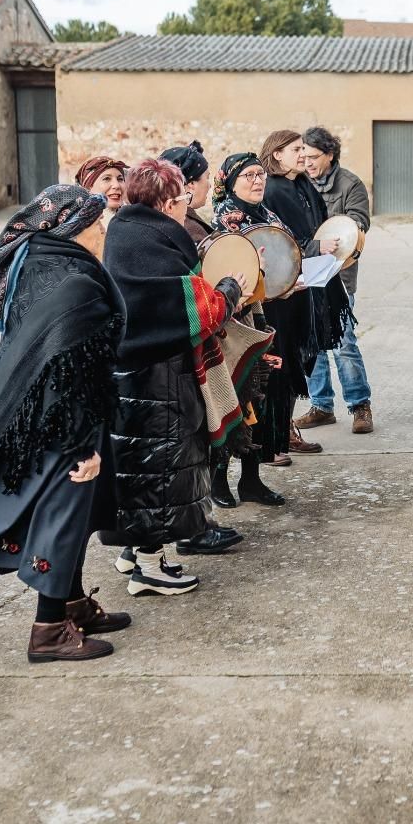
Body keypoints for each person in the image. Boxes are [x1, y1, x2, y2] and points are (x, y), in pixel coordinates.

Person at [0, 185, 130, 664]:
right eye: (97, 223)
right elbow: (70, 372)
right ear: (73, 228)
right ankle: (49, 630)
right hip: (61, 422)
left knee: (77, 516)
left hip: (36, 414)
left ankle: (73, 603)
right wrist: (83, 446)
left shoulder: (40, 265)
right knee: (62, 517)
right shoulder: (74, 282)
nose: (104, 231)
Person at [104, 159, 248, 597]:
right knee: (159, 471)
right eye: (183, 196)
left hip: (135, 376)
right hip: (156, 379)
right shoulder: (152, 242)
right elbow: (192, 310)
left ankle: (135, 553)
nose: (187, 203)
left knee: (141, 469)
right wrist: (229, 290)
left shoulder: (127, 231)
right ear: (168, 204)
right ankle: (150, 568)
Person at [158, 140, 253, 546]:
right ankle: (190, 529)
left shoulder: (180, 226)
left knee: (190, 447)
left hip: (182, 357)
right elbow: (198, 299)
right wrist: (230, 292)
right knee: (187, 448)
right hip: (178, 362)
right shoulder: (176, 232)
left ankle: (197, 521)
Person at [258, 130, 351, 461]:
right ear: (277, 154)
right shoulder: (271, 190)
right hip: (286, 289)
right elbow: (275, 240)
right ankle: (276, 437)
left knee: (296, 360)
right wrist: (314, 246)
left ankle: (284, 432)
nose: (303, 154)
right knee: (282, 364)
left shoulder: (302, 184)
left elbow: (319, 224)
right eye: (295, 149)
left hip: (309, 283)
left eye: (304, 149)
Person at [210, 152, 295, 504]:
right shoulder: (225, 219)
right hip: (239, 321)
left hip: (271, 316)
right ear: (230, 182)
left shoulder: (268, 215)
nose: (258, 180)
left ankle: (251, 479)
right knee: (236, 398)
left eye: (261, 174)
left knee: (261, 398)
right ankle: (218, 481)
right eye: (248, 175)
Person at [295, 126, 375, 435]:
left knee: (344, 343)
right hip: (307, 274)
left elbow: (359, 223)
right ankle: (321, 406)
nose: (308, 162)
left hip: (339, 275)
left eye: (314, 157)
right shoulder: (299, 183)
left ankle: (360, 405)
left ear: (330, 155)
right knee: (312, 341)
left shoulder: (350, 184)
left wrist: (335, 233)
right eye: (304, 156)